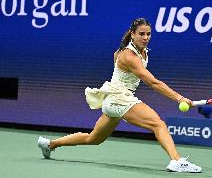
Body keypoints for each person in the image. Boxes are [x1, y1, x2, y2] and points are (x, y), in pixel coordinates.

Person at [37, 18, 202, 173]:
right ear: (133, 34)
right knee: (158, 124)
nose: (145, 37)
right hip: (120, 99)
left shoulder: (136, 51)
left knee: (93, 138)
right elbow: (153, 83)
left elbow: (117, 61)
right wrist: (179, 98)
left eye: (148, 34)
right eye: (141, 34)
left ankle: (50, 144)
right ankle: (176, 160)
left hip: (113, 100)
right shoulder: (129, 56)